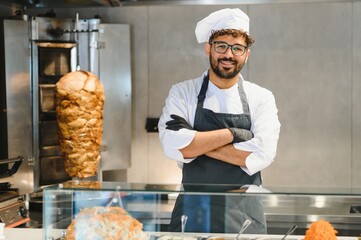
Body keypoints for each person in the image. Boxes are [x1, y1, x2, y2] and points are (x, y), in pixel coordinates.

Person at [158, 8, 281, 234]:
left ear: (247, 54)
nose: (228, 54)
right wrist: (234, 134)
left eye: (237, 48)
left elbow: (262, 154)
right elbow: (172, 144)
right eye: (221, 46)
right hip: (192, 209)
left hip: (244, 212)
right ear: (208, 48)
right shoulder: (182, 92)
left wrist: (196, 143)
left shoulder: (261, 97)